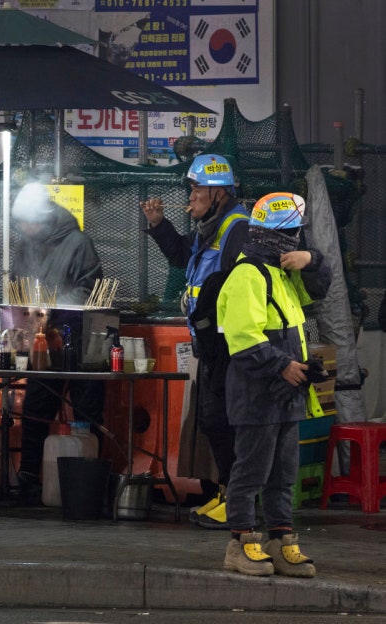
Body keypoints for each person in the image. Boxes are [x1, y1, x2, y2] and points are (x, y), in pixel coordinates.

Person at [217, 192, 331, 577]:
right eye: (294, 234)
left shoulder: (281, 274)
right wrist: (282, 365)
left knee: (284, 475)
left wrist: (312, 260)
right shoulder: (249, 274)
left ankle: (280, 542)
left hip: (285, 395)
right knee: (250, 473)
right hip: (257, 395)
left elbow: (319, 287)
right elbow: (243, 337)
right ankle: (241, 543)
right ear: (279, 235)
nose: (297, 240)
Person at [140, 154, 249, 529]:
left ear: (219, 192)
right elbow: (183, 255)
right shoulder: (210, 230)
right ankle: (224, 494)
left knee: (223, 423)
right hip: (211, 345)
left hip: (231, 346)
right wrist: (158, 225)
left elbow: (238, 285)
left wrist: (205, 307)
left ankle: (238, 504)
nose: (192, 196)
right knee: (213, 424)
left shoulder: (238, 229)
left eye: (197, 188)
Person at [10, 182, 105, 506]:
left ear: (44, 217)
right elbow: (17, 284)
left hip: (78, 338)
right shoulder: (25, 246)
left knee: (86, 412)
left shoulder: (78, 243)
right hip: (40, 340)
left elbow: (90, 287)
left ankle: (86, 484)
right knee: (37, 406)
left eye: (26, 221)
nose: (22, 227)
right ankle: (28, 477)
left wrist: (57, 306)